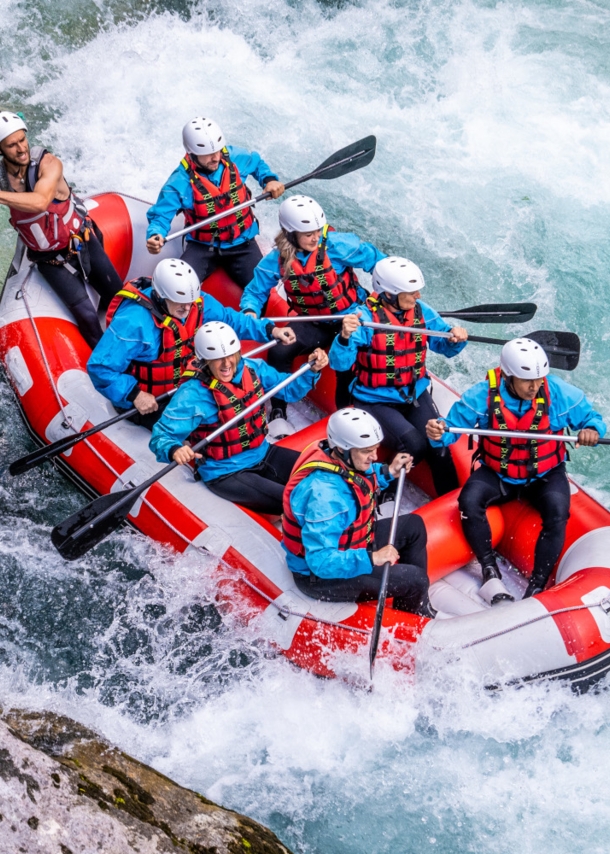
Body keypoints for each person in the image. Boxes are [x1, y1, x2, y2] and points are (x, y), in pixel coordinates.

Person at [426, 337, 606, 601]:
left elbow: (592, 419)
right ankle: (489, 569)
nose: (534, 386)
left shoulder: (557, 392)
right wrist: (436, 431)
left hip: (545, 474)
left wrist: (592, 430)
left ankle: (537, 584)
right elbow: (449, 430)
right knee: (469, 500)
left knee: (558, 513)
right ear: (508, 377)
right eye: (527, 381)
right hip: (499, 473)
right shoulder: (482, 395)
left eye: (538, 379)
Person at [87, 258, 296, 429]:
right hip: (147, 401)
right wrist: (135, 395)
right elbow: (100, 367)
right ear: (160, 296)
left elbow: (231, 320)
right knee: (209, 429)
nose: (187, 308)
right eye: (180, 304)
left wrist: (270, 330)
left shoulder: (193, 302)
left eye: (190, 301)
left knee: (233, 405)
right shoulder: (133, 324)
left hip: (183, 385)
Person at [149, 321, 328, 514]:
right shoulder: (192, 395)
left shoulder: (252, 369)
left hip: (263, 452)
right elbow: (161, 435)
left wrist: (312, 370)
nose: (227, 364)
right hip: (226, 472)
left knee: (322, 474)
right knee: (300, 503)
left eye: (230, 355)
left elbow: (290, 390)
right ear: (205, 360)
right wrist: (175, 449)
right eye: (218, 359)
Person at [328, 256, 468, 496]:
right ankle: (383, 492)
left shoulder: (422, 312)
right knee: (414, 444)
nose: (418, 297)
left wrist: (455, 337)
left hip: (414, 393)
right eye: (411, 292)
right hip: (375, 400)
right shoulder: (365, 319)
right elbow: (339, 363)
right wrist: (344, 337)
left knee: (439, 444)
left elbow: (444, 346)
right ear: (390, 294)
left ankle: (455, 502)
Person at [240, 195, 385, 418]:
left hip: (351, 318)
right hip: (314, 323)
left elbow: (377, 262)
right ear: (291, 233)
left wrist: (385, 296)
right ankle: (279, 409)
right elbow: (254, 291)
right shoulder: (278, 260)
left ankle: (347, 416)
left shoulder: (338, 245)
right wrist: (250, 310)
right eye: (309, 234)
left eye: (318, 231)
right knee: (279, 350)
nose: (316, 237)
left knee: (348, 363)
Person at [282, 407, 434, 616]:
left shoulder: (340, 458)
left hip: (351, 546)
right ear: (343, 448)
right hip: (321, 578)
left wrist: (389, 471)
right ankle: (408, 623)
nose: (374, 456)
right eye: (366, 451)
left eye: (375, 448)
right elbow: (320, 562)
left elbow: (361, 482)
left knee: (414, 526)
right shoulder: (325, 497)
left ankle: (416, 606)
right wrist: (373, 558)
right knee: (417, 579)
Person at [0, 111, 122, 347]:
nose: (21, 148)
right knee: (86, 318)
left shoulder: (49, 164)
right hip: (48, 259)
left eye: (22, 140)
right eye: (12, 145)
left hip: (82, 242)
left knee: (118, 297)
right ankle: (109, 368)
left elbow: (40, 201)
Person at [146, 116, 284, 287]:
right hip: (203, 247)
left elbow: (256, 163)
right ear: (192, 153)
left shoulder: (233, 157)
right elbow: (160, 216)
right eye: (207, 154)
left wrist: (269, 179)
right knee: (179, 286)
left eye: (217, 150)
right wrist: (155, 235)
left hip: (242, 242)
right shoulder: (179, 182)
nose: (215, 157)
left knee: (263, 290)